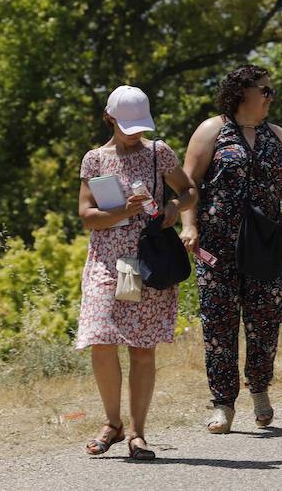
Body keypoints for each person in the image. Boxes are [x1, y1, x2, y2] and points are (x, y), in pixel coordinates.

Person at [183, 65, 282, 434]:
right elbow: (189, 185)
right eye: (266, 90)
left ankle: (259, 390)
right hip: (217, 245)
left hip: (265, 243)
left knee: (265, 321)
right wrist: (189, 225)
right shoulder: (212, 130)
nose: (271, 97)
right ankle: (223, 404)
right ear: (244, 91)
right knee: (219, 325)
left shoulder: (278, 137)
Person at [76, 86, 197, 460]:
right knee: (100, 338)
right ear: (109, 118)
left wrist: (176, 208)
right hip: (105, 260)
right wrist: (125, 212)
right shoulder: (95, 159)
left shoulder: (159, 153)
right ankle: (111, 424)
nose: (134, 133)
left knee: (141, 348)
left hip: (142, 262)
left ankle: (137, 433)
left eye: (139, 126)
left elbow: (190, 190)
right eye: (127, 125)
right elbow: (87, 216)